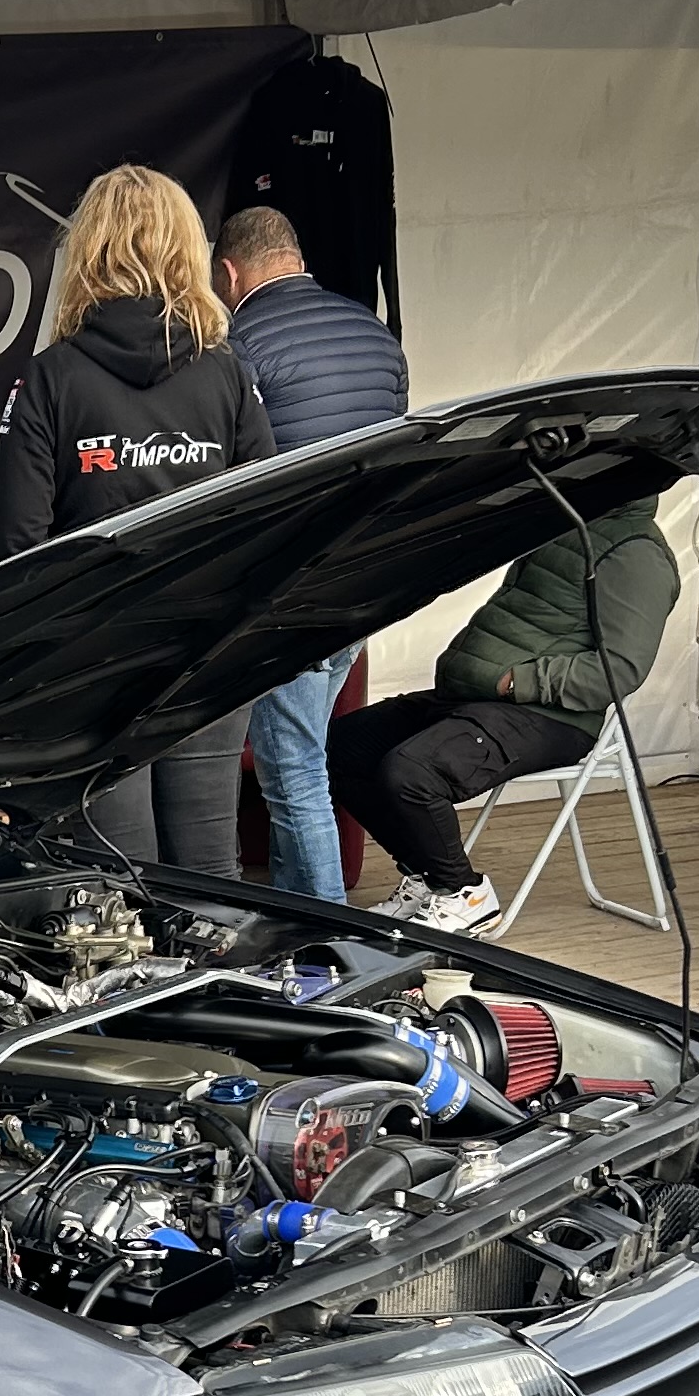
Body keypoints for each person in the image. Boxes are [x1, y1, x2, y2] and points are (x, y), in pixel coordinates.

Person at [0, 164, 272, 869]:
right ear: (188, 249)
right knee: (209, 862)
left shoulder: (52, 376)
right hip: (208, 645)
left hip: (94, 657)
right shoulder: (226, 372)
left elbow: (17, 542)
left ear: (88, 250)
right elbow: (272, 514)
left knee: (117, 871)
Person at [323, 495, 680, 935]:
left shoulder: (636, 553)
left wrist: (518, 682)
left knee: (413, 773)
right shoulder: (565, 521)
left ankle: (464, 893)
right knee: (339, 747)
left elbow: (619, 670)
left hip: (548, 715)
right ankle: (429, 878)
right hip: (471, 698)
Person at [217, 205, 409, 900]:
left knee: (292, 768)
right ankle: (297, 915)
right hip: (370, 577)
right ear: (297, 258)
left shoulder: (239, 346)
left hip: (292, 587)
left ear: (229, 273)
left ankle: (330, 928)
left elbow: (234, 479)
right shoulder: (376, 335)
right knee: (303, 754)